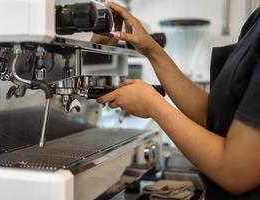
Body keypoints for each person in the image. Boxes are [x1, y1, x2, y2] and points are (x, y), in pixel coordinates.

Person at [97, 1, 260, 199]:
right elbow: (216, 116)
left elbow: (236, 171)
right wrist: (151, 49)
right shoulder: (256, 20)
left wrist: (152, 104)